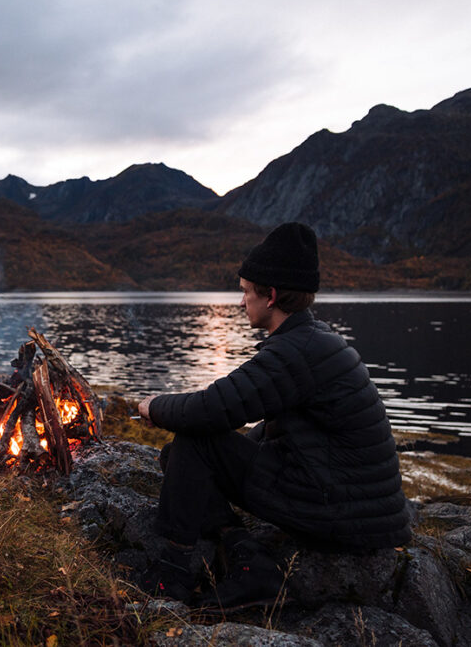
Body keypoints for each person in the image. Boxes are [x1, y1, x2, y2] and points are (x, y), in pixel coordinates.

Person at [136, 222, 411, 609]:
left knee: (194, 445)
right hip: (350, 505)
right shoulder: (312, 340)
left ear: (272, 296)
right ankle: (247, 556)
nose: (241, 302)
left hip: (342, 514)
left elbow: (212, 408)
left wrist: (153, 406)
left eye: (246, 292)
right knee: (181, 458)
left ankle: (172, 572)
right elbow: (275, 427)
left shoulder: (295, 351)